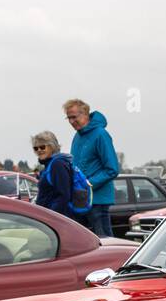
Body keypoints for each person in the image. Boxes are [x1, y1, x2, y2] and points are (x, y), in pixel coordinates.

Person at [64, 98, 120, 237]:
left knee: (105, 243)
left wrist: (88, 184)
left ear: (85, 114)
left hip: (98, 201)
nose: (71, 121)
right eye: (68, 118)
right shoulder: (77, 136)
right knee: (81, 243)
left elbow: (112, 168)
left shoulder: (101, 134)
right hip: (80, 200)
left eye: (74, 117)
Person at [31, 131, 82, 219]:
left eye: (42, 147)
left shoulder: (57, 164)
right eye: (36, 148)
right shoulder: (49, 165)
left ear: (52, 147)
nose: (39, 150)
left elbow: (63, 195)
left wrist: (51, 217)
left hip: (58, 219)